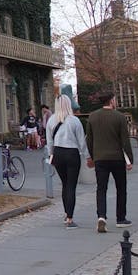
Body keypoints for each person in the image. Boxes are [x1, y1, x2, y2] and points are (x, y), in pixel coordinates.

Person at [86, 93, 134, 233]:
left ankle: (101, 216)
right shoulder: (119, 117)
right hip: (117, 157)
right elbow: (125, 140)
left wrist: (93, 156)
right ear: (112, 101)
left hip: (100, 158)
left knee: (101, 189)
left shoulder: (93, 116)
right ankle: (121, 218)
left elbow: (89, 139)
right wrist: (129, 159)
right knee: (121, 188)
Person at [46, 95, 87, 229]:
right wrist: (87, 156)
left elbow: (49, 141)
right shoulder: (74, 121)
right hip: (71, 153)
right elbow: (81, 141)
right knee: (71, 185)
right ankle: (70, 217)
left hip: (58, 152)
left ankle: (66, 213)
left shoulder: (51, 120)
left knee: (64, 184)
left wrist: (51, 155)